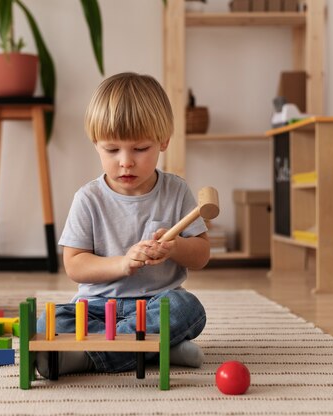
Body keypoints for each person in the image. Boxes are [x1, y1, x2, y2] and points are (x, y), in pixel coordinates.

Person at [36, 72, 209, 378]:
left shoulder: (176, 190)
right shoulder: (88, 198)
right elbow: (75, 264)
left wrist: (176, 247)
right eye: (112, 150)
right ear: (95, 143)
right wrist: (122, 264)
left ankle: (90, 356)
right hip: (98, 308)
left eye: (140, 149)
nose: (126, 161)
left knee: (188, 308)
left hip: (158, 302)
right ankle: (155, 349)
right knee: (46, 322)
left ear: (163, 141)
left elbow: (201, 254)